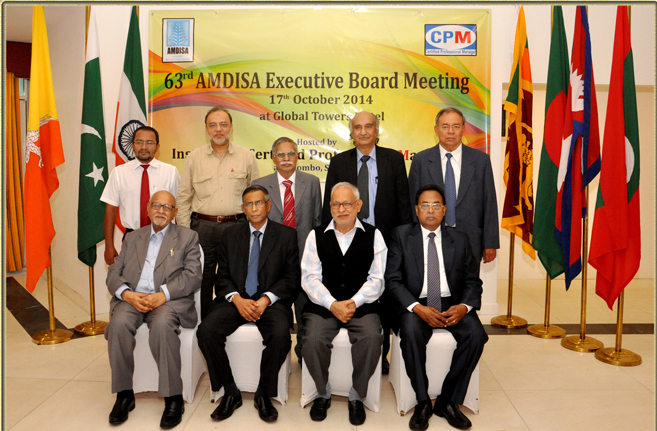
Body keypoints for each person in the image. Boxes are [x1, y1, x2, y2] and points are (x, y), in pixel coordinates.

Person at [385, 184, 488, 430]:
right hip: (416, 304)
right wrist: (416, 308)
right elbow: (393, 280)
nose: (430, 210)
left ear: (444, 210)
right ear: (416, 210)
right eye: (425, 205)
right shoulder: (401, 235)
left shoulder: (460, 239)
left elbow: (473, 281)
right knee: (411, 333)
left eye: (435, 205)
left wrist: (464, 307)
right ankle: (422, 401)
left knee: (476, 335)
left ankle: (448, 401)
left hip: (452, 304)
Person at [197, 185, 300, 424]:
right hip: (237, 299)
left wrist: (265, 299)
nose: (254, 208)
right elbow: (221, 276)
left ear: (268, 205)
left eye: (259, 203)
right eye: (249, 204)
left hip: (270, 301)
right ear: (243, 208)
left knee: (281, 335)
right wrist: (237, 299)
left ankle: (263, 393)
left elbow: (291, 278)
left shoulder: (286, 235)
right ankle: (230, 391)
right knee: (206, 331)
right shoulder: (230, 235)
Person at [322, 111, 412, 374]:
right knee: (351, 290)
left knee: (384, 297)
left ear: (377, 130)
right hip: (348, 238)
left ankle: (380, 354)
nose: (363, 132)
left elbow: (403, 204)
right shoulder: (339, 162)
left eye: (368, 126)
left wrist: (405, 242)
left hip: (385, 239)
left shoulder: (394, 159)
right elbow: (329, 205)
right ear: (351, 133)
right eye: (358, 127)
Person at [105, 191, 202, 429]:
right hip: (133, 298)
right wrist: (127, 294)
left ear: (174, 212)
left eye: (167, 207)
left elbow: (193, 276)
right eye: (157, 205)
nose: (161, 210)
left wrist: (163, 294)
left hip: (167, 301)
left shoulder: (188, 237)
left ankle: (173, 398)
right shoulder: (132, 237)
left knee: (161, 326)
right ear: (148, 208)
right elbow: (114, 272)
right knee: (118, 325)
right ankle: (124, 395)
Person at [301, 182, 387, 426]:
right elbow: (309, 278)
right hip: (323, 305)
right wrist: (332, 304)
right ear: (330, 207)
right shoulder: (315, 235)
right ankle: (323, 393)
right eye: (336, 204)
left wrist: (353, 302)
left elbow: (377, 279)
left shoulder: (374, 235)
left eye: (347, 203)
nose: (342, 209)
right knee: (312, 339)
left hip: (363, 304)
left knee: (372, 338)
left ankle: (357, 396)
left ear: (358, 205)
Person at [176, 107, 260, 319]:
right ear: (206, 129)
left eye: (223, 124)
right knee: (202, 278)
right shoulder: (194, 157)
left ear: (231, 128)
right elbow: (183, 197)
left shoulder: (246, 157)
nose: (218, 129)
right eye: (212, 125)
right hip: (202, 228)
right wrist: (185, 232)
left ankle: (233, 320)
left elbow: (256, 198)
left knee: (236, 276)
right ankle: (204, 323)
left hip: (237, 227)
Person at [253, 136, 322, 363]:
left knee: (305, 310)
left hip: (304, 258)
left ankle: (304, 354)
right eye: (281, 154)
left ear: (297, 156)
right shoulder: (261, 184)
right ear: (273, 158)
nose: (286, 158)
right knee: (277, 309)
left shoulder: (311, 182)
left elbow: (317, 221)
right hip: (273, 260)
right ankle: (277, 355)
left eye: (291, 153)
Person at [408, 107, 499, 266]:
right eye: (445, 126)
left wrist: (490, 242)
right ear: (436, 130)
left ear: (463, 130)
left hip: (471, 238)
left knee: (468, 281)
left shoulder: (480, 160)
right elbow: (412, 204)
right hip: (430, 237)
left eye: (456, 126)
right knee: (434, 280)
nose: (450, 131)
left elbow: (489, 202)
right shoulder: (421, 161)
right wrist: (413, 239)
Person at [101, 126, 180, 265]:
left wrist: (180, 242)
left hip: (164, 236)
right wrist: (109, 245)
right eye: (139, 142)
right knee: (131, 276)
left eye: (149, 142)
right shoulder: (119, 173)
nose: (144, 147)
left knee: (163, 277)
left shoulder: (170, 172)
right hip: (132, 237)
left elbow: (178, 209)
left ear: (158, 146)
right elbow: (110, 211)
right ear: (132, 145)